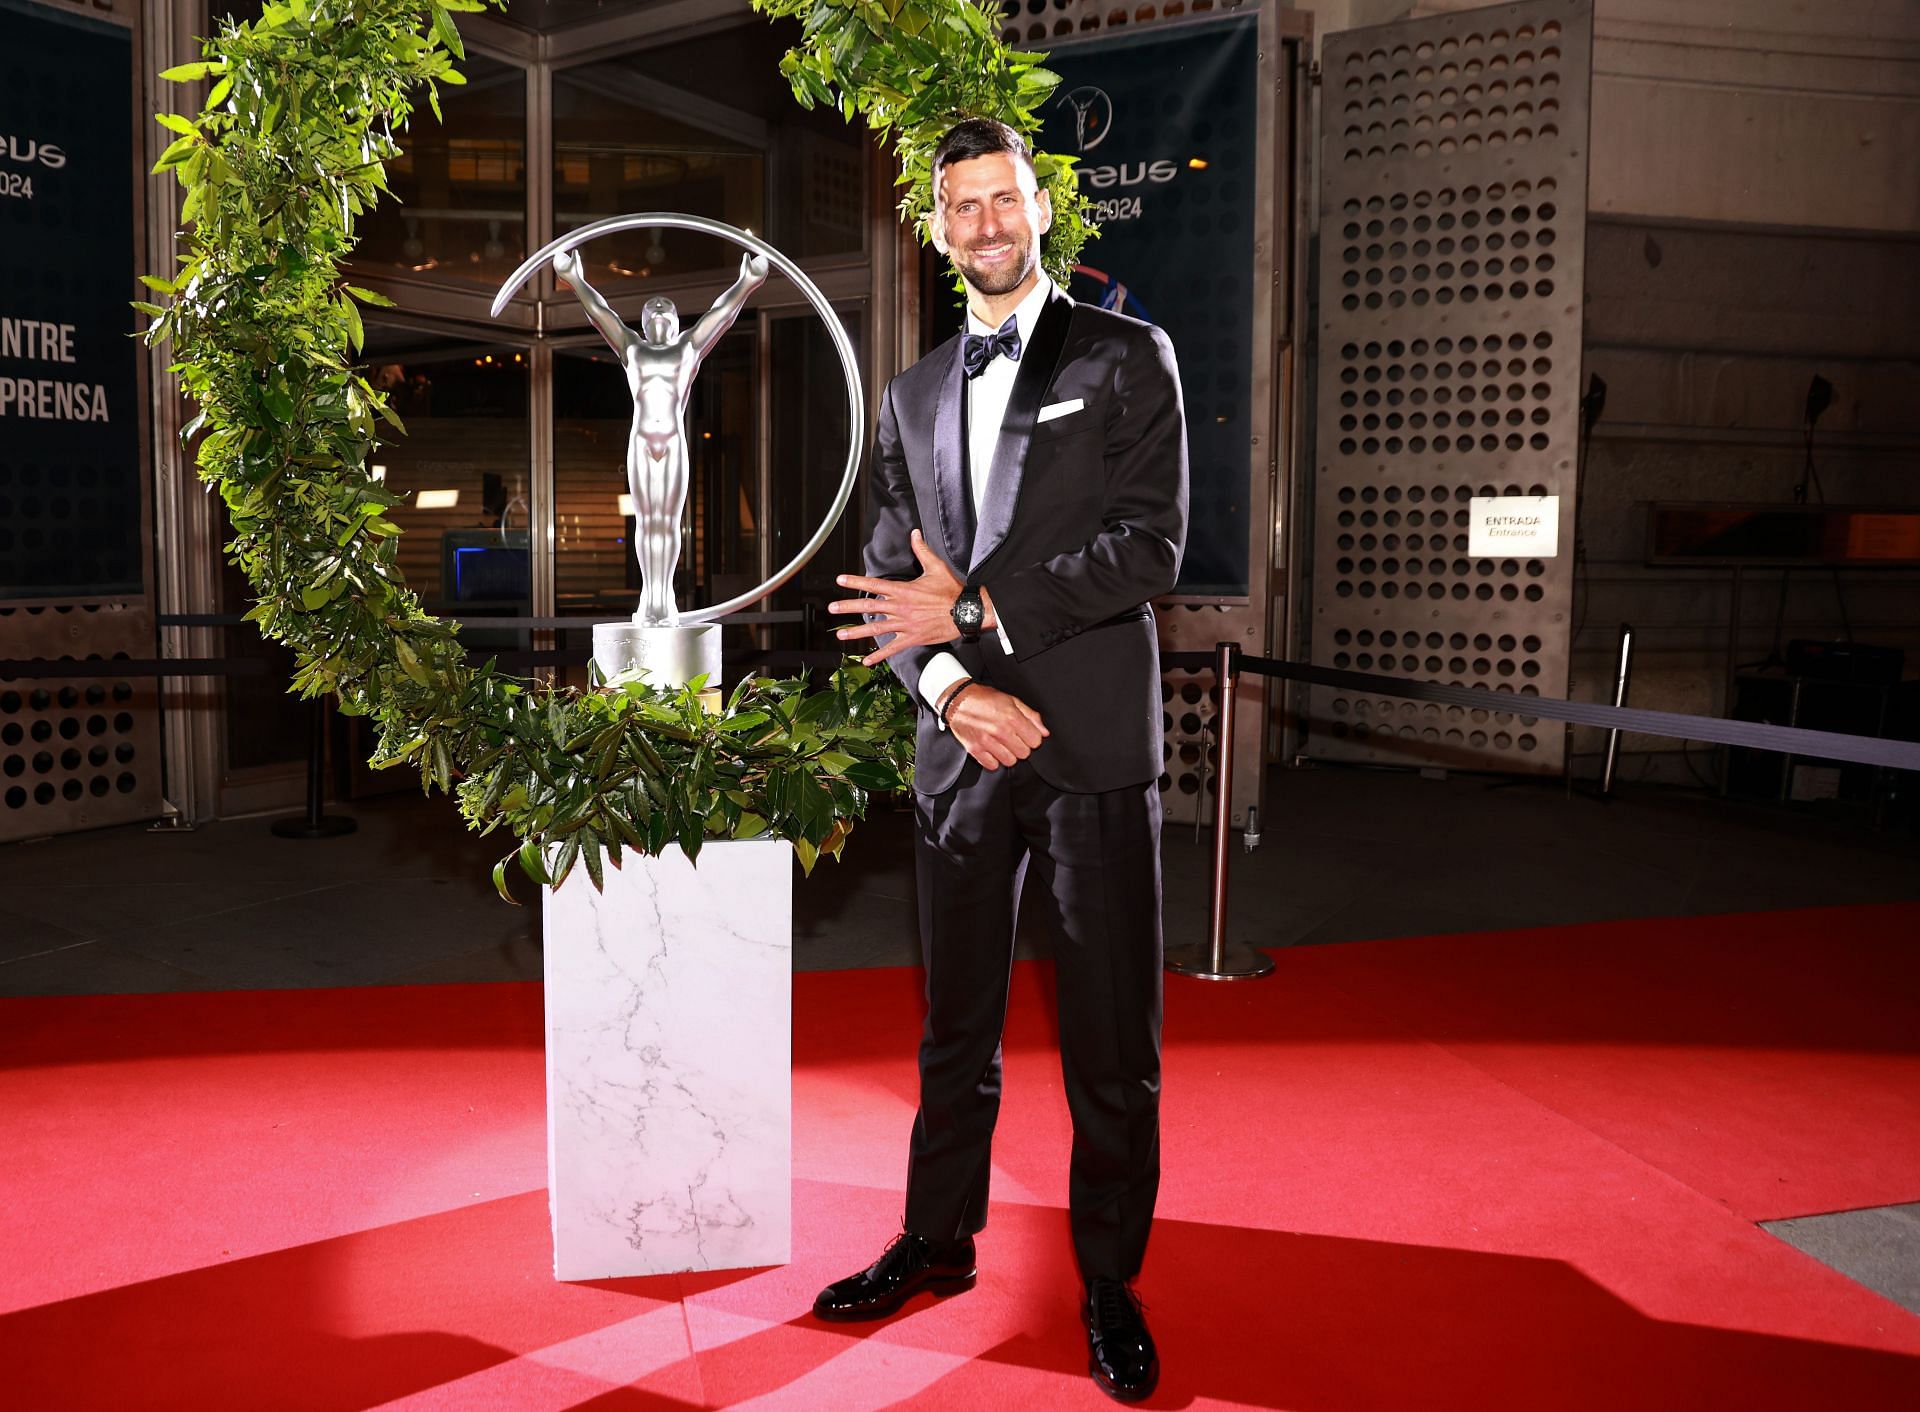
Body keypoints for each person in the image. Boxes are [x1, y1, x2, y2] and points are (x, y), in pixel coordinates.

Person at [822, 115, 1188, 1403]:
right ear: (935, 229)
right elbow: (882, 586)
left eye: (1004, 199)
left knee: (1108, 1035)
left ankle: (1108, 1279)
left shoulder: (1127, 355)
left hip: (1089, 747)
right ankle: (937, 1239)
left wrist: (977, 619)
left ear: (1043, 208)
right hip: (961, 747)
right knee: (954, 1023)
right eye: (961, 206)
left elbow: (1150, 550)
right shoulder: (912, 392)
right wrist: (953, 685)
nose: (985, 223)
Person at [553, 247, 767, 623]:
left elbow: (721, 315)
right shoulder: (631, 347)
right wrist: (575, 279)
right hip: (640, 441)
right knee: (646, 520)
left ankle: (664, 595)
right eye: (652, 309)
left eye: (665, 308)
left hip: (671, 442)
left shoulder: (688, 348)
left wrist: (746, 282)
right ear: (645, 320)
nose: (659, 312)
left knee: (667, 522)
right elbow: (600, 314)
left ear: (675, 318)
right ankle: (647, 597)